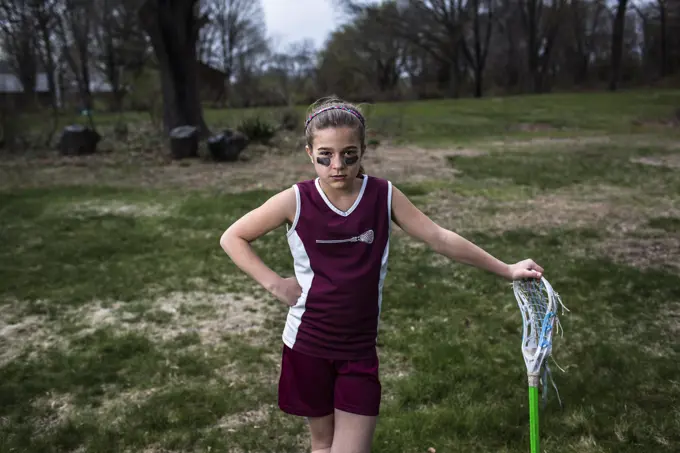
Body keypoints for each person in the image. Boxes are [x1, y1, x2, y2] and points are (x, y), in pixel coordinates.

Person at [219, 97, 544, 453]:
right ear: (309, 153)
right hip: (307, 345)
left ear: (363, 151)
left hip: (359, 349)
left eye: (349, 154)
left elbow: (439, 238)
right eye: (325, 155)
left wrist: (507, 269)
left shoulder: (383, 195)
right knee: (322, 444)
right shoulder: (294, 200)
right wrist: (276, 284)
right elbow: (233, 237)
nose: (337, 165)